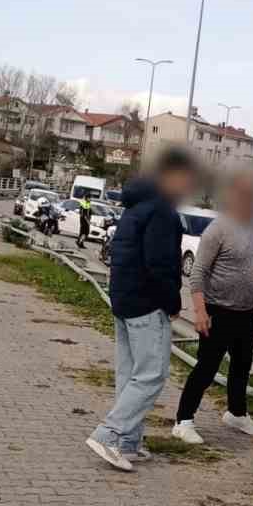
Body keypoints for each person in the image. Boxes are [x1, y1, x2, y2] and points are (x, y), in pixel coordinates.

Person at [85, 146, 200, 472]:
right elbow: (161, 264)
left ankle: (128, 441)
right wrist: (173, 303)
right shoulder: (161, 212)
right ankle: (107, 434)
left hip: (124, 300)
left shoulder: (136, 207)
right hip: (148, 305)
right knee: (151, 375)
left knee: (130, 374)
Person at [172, 166, 253, 446]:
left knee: (242, 365)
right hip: (216, 310)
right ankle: (183, 420)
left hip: (246, 312)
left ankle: (236, 413)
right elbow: (197, 272)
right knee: (207, 367)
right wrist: (200, 311)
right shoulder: (219, 228)